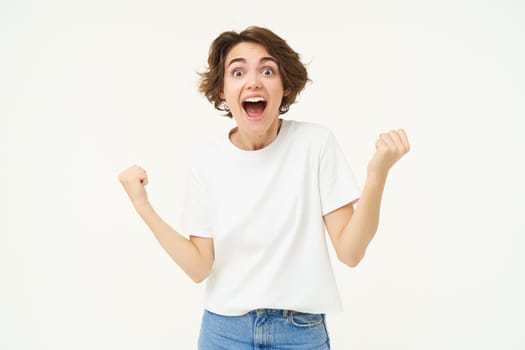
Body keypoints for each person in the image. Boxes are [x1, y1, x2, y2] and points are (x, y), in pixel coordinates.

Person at [118, 26, 410, 349]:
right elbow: (199, 266)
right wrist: (142, 205)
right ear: (222, 91)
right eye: (238, 71)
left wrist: (376, 175)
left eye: (267, 70)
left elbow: (351, 252)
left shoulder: (315, 144)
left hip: (300, 333)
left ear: (285, 87)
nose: (253, 81)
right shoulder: (207, 162)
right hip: (223, 333)